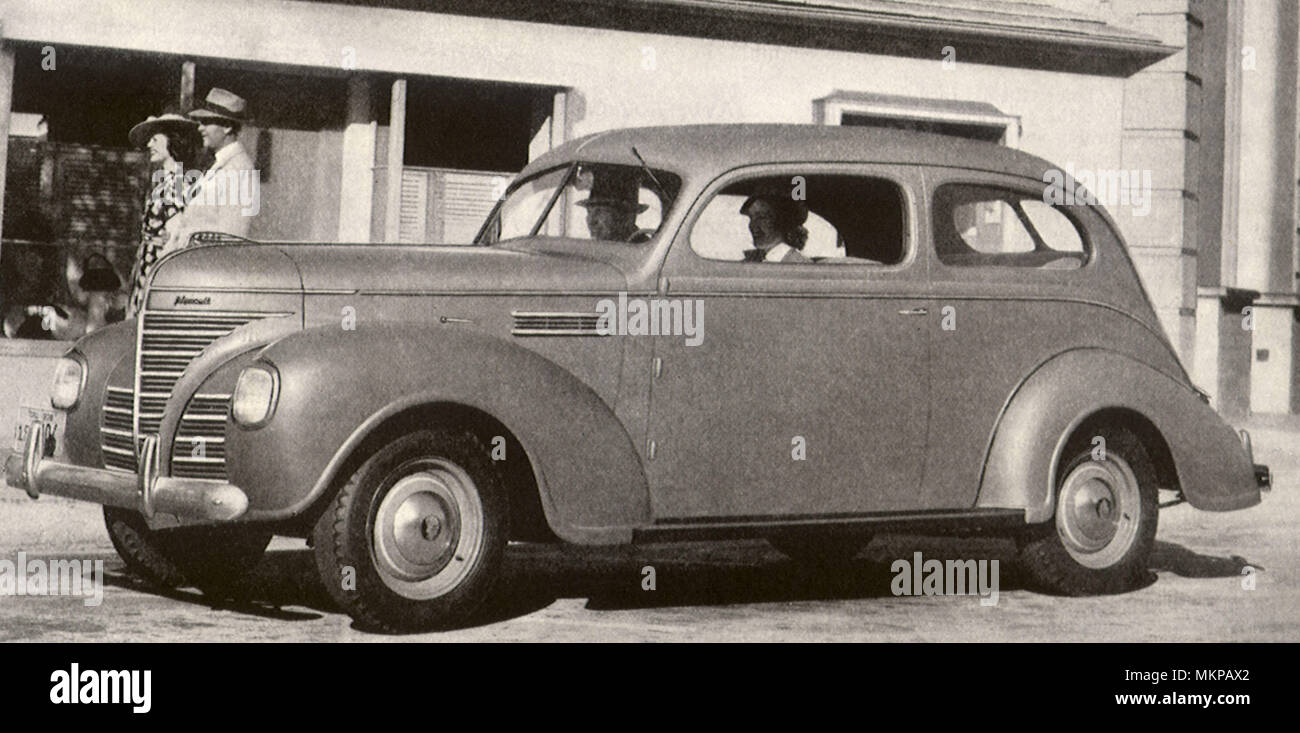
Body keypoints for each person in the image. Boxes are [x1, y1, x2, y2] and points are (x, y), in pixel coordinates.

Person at [164, 88, 259, 253]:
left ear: (227, 127)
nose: (200, 128)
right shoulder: (219, 164)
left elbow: (230, 239)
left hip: (205, 271)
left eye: (207, 122)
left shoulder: (238, 170)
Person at [126, 111, 200, 315]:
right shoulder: (163, 179)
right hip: (147, 264)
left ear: (173, 141)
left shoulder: (178, 182)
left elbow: (175, 234)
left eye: (156, 139)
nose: (149, 145)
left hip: (159, 268)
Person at [576, 170, 652, 242]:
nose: (591, 221)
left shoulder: (641, 248)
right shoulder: (601, 247)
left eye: (598, 211)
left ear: (621, 216)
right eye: (589, 212)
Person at [739, 194, 810, 263]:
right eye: (751, 217)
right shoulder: (748, 263)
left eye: (762, 217)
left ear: (783, 221)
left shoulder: (803, 266)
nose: (752, 225)